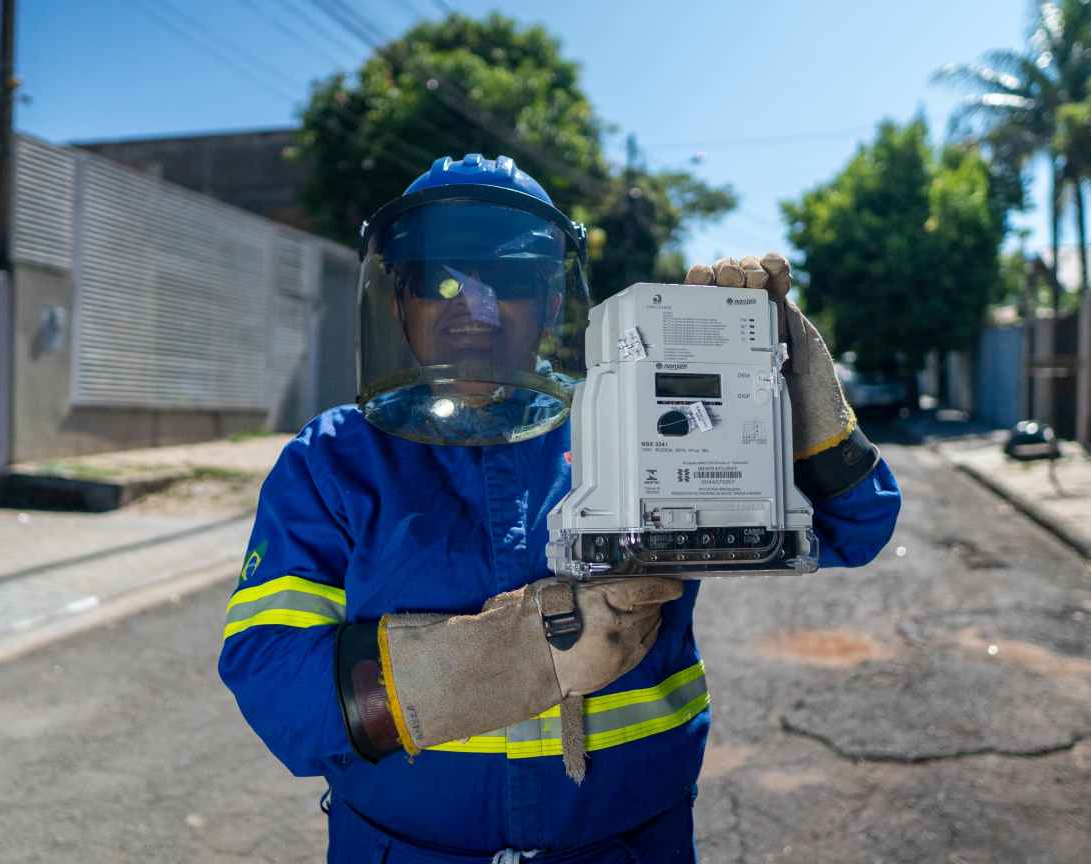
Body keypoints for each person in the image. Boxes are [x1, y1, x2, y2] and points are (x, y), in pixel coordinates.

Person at [219, 154, 901, 863]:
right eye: (438, 278)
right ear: (398, 300)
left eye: (508, 278)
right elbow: (275, 683)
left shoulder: (631, 413)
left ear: (551, 300)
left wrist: (790, 403)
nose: (470, 303)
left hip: (631, 847)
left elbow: (855, 528)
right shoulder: (334, 459)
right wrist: (517, 657)